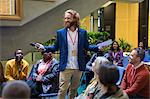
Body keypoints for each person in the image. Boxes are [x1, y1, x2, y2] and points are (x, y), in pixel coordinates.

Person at [35, 9, 101, 99]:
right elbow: (55, 47)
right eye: (65, 18)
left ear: (75, 19)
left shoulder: (82, 33)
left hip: (78, 66)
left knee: (74, 90)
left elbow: (87, 46)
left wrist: (98, 47)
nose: (66, 20)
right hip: (65, 66)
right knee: (62, 90)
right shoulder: (60, 33)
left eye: (68, 18)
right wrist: (44, 48)